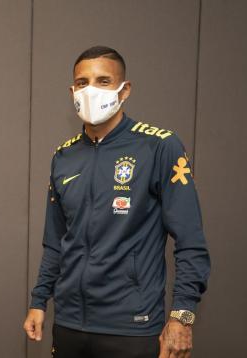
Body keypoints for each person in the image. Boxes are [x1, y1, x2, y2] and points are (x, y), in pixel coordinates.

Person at [23, 46, 210, 358]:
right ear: (72, 91)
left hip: (132, 327)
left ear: (125, 90)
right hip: (69, 323)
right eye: (82, 82)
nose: (91, 90)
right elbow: (55, 241)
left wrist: (182, 316)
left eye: (103, 81)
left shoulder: (159, 147)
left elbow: (191, 241)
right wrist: (39, 301)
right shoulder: (64, 156)